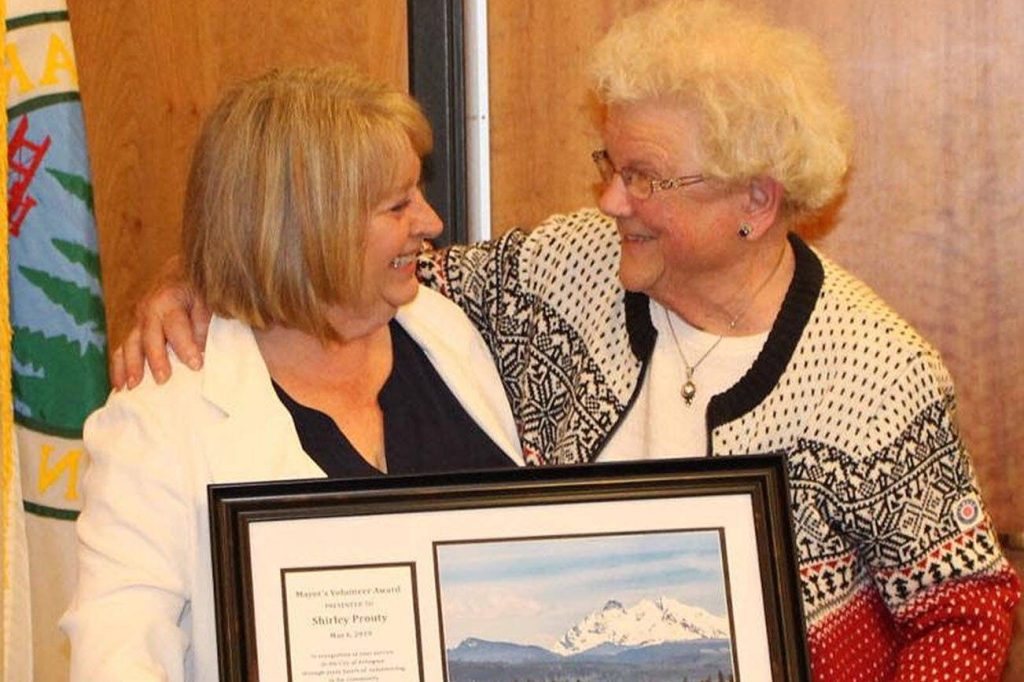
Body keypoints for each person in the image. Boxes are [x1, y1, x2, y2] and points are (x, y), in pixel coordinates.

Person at [115, 1, 1020, 680]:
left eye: (646, 178)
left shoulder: (872, 371)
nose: (612, 202)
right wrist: (200, 277)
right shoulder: (565, 272)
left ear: (756, 201)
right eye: (610, 166)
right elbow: (344, 268)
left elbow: (967, 611)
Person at [60, 65, 521, 681]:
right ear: (310, 229)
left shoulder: (445, 331)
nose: (433, 222)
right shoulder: (161, 415)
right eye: (398, 204)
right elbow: (116, 653)